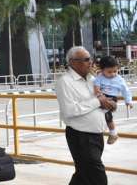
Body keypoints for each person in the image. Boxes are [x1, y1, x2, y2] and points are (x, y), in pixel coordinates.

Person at [56, 46, 116, 185]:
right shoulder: (65, 82)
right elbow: (69, 110)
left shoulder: (92, 79)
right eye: (87, 60)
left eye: (91, 59)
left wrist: (110, 104)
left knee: (83, 175)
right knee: (97, 177)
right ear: (73, 62)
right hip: (81, 137)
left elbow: (103, 101)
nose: (91, 62)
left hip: (96, 136)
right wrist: (97, 101)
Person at [93, 56, 133, 144]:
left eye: (115, 71)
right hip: (101, 97)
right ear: (102, 70)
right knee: (104, 115)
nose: (113, 74)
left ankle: (113, 133)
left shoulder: (119, 79)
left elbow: (125, 90)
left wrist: (128, 101)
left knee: (104, 113)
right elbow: (96, 87)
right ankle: (112, 132)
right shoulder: (100, 77)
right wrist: (100, 95)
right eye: (109, 72)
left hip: (112, 98)